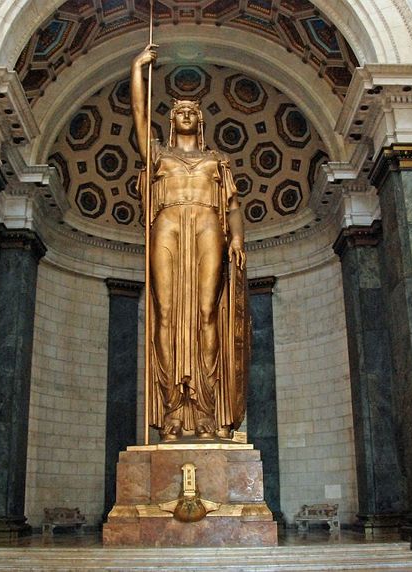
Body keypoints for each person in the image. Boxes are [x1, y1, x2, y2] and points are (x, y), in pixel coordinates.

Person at [131, 44, 249, 441]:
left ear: (199, 122)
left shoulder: (217, 161)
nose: (184, 114)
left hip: (207, 225)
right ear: (171, 121)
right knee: (165, 313)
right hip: (167, 224)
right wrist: (137, 69)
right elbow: (138, 115)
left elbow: (232, 206)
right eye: (178, 110)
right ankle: (171, 409)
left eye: (191, 111)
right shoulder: (158, 157)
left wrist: (239, 241)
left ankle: (206, 407)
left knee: (206, 314)